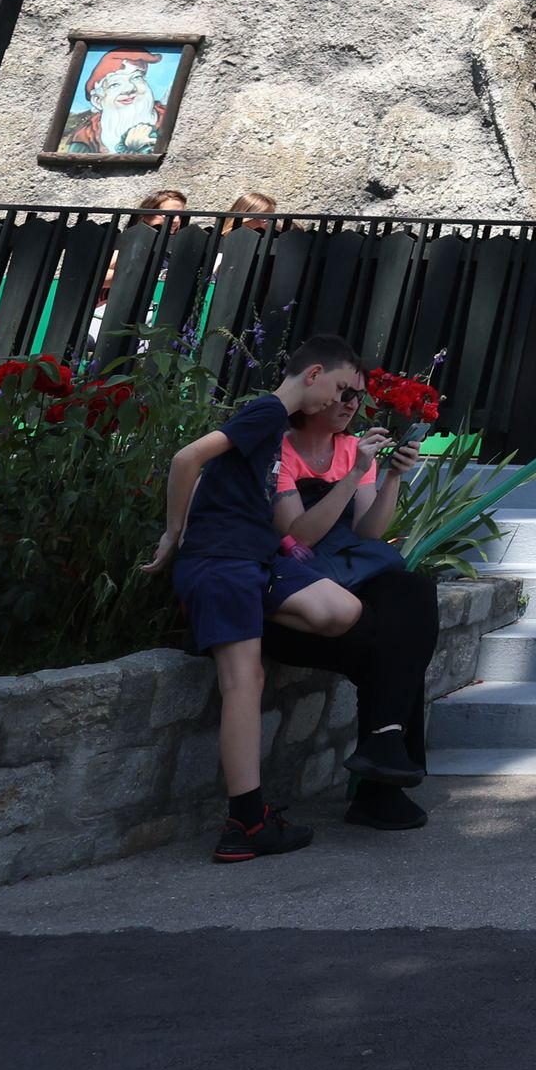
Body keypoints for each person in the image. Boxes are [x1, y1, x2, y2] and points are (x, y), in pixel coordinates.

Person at [145, 341, 377, 859]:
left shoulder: (276, 425)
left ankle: (240, 624)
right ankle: (246, 823)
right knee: (244, 682)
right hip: (222, 563)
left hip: (255, 563)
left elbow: (217, 477)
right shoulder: (268, 410)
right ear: (314, 372)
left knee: (341, 610)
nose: (344, 403)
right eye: (342, 389)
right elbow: (188, 458)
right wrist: (173, 532)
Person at [272, 351, 444, 827]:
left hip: (347, 569)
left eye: (358, 397)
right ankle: (381, 784)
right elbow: (298, 537)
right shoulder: (279, 450)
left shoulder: (352, 450)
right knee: (395, 643)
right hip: (297, 581)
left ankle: (384, 752)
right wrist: (350, 476)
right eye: (343, 392)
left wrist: (390, 476)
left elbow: (369, 533)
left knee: (412, 593)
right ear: (313, 391)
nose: (350, 404)